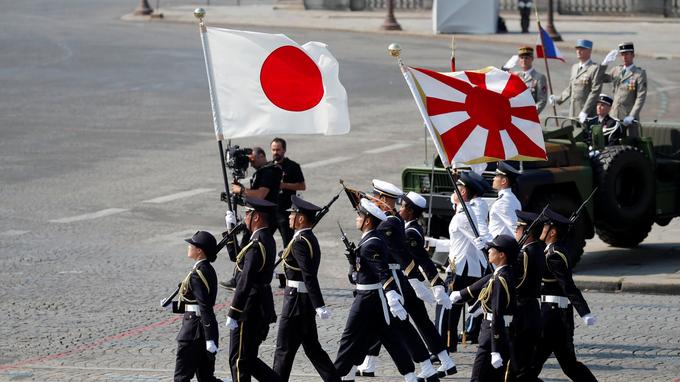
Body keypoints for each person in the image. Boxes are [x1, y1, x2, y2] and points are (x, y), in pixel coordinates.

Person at [356, 180, 440, 381]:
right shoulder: (387, 218)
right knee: (383, 325)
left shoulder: (390, 221)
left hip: (389, 276)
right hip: (381, 276)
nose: (374, 200)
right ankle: (367, 364)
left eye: (376, 197)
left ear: (384, 199)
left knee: (397, 325)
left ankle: (424, 367)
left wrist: (416, 280)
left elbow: (401, 253)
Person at [333, 198, 417, 382]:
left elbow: (382, 272)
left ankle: (336, 376)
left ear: (368, 221)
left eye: (359, 216)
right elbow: (361, 273)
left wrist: (392, 297)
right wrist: (353, 262)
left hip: (367, 298)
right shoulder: (371, 240)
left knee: (349, 338)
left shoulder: (372, 243)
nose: (357, 219)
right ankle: (410, 376)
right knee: (387, 338)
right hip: (372, 298)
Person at [272, 196, 339, 382]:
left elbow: (308, 275)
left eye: (293, 214)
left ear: (301, 218)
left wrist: (319, 305)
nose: (289, 217)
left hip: (295, 302)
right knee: (312, 348)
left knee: (283, 349)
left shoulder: (300, 241)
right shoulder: (307, 238)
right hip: (303, 301)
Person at [530, 209, 598, 381]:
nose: (542, 230)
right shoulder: (551, 250)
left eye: (545, 227)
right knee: (568, 365)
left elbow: (568, 286)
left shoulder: (554, 256)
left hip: (553, 317)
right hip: (554, 315)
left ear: (552, 232)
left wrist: (584, 312)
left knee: (533, 364)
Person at [427, 173, 487, 354]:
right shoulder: (464, 213)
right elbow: (458, 243)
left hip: (459, 268)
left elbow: (477, 241)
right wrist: (434, 242)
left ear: (462, 191)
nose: (453, 192)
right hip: (462, 266)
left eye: (456, 189)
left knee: (444, 307)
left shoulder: (463, 216)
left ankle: (441, 348)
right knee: (452, 309)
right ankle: (448, 344)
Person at [400, 191, 458, 378]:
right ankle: (446, 361)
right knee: (422, 322)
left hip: (408, 284)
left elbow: (423, 260)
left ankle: (428, 365)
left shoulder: (410, 232)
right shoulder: (410, 227)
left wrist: (436, 284)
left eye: (402, 207)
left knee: (398, 324)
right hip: (407, 283)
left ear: (410, 211)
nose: (400, 210)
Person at [224, 197, 279, 382]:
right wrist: (231, 231)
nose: (245, 217)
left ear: (256, 217)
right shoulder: (263, 238)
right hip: (258, 306)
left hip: (248, 308)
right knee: (249, 360)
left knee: (239, 360)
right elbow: (237, 258)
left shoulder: (257, 244)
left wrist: (234, 311)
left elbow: (245, 280)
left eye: (247, 213)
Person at [222, 147, 282, 290]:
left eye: (252, 159)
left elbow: (260, 195)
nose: (250, 163)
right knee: (246, 246)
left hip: (262, 217)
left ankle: (240, 280)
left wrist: (242, 191)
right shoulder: (262, 172)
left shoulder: (269, 172)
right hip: (257, 215)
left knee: (247, 247)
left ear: (262, 156)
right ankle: (238, 278)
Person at [464, 235, 518, 382]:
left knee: (478, 378)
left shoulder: (501, 279)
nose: (488, 250)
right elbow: (488, 278)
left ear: (501, 255)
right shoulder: (503, 274)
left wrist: (494, 350)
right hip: (502, 332)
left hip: (492, 335)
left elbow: (496, 314)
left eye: (491, 249)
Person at [171, 231, 222, 382]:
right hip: (202, 331)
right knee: (206, 378)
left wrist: (210, 338)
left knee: (181, 378)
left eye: (191, 245)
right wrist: (174, 306)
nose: (189, 247)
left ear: (199, 250)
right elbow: (196, 302)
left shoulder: (197, 274)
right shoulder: (207, 269)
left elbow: (204, 306)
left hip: (193, 331)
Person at [549, 39, 603, 123]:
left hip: (587, 113)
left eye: (582, 49)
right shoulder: (574, 67)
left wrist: (585, 111)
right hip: (573, 110)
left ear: (589, 51)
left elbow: (595, 92)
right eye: (577, 49)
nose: (578, 51)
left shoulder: (595, 68)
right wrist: (558, 99)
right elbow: (571, 87)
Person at [598, 42, 648, 129]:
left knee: (630, 141)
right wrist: (604, 64)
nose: (624, 57)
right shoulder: (617, 70)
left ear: (633, 55)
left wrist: (632, 116)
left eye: (627, 54)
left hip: (628, 117)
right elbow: (600, 79)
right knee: (612, 140)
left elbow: (640, 97)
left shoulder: (639, 74)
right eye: (622, 54)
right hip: (613, 115)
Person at [271, 137, 306, 247]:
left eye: (278, 150)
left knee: (288, 244)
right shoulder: (268, 167)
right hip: (270, 211)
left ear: (284, 150)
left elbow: (302, 186)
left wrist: (283, 185)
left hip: (286, 212)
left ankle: (288, 262)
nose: (275, 152)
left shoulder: (293, 166)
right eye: (273, 150)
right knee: (263, 238)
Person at [489, 162, 522, 238]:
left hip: (499, 246)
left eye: (496, 176)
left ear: (503, 181)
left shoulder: (503, 202)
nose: (493, 178)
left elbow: (515, 228)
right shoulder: (512, 198)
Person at [514, 46, 548, 114]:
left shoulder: (539, 77)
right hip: (516, 116)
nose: (524, 60)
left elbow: (542, 100)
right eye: (521, 58)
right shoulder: (515, 76)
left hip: (530, 117)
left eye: (526, 58)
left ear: (532, 59)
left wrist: (531, 114)